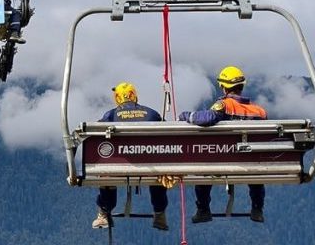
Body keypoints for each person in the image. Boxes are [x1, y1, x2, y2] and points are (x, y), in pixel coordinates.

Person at [180, 66, 268, 224]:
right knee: (257, 173)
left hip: (223, 159)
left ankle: (203, 210)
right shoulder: (260, 111)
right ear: (242, 86)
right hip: (250, 161)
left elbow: (207, 118)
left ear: (224, 87)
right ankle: (257, 209)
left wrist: (186, 116)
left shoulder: (224, 105)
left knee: (203, 171)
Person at [92, 83, 169, 231]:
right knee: (160, 171)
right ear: (134, 95)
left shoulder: (111, 115)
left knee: (106, 173)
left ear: (118, 98)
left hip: (120, 165)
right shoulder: (152, 113)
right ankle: (159, 212)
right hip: (149, 166)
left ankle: (104, 212)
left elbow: (96, 132)